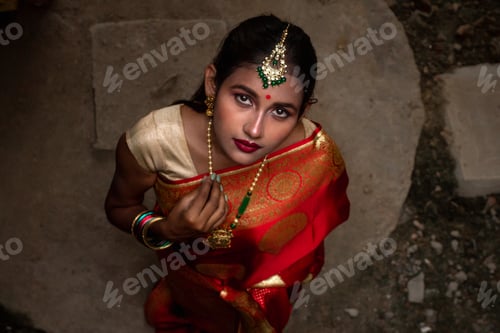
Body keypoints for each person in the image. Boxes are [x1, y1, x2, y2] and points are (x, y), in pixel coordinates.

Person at [105, 14, 350, 333]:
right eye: (243, 98)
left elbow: (306, 237)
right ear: (212, 83)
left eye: (280, 111)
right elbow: (119, 208)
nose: (255, 129)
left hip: (263, 280)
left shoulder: (314, 154)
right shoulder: (155, 141)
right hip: (189, 275)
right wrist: (166, 230)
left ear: (303, 112)